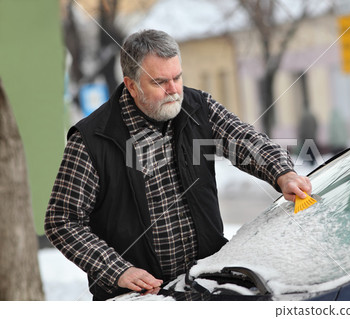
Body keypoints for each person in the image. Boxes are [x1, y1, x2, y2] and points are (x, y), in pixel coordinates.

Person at [45, 29, 311, 300]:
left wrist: (282, 172)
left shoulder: (198, 107)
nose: (173, 90)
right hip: (139, 298)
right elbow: (61, 221)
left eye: (177, 77)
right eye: (160, 82)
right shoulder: (92, 140)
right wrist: (117, 271)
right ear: (132, 85)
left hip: (206, 286)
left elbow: (245, 140)